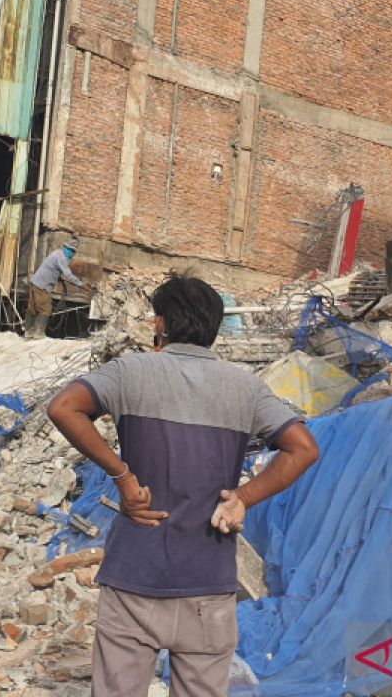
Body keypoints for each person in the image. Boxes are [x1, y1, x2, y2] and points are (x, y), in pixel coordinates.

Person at [47, 275, 320, 696]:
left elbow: (63, 408)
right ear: (214, 329)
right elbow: (303, 448)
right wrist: (243, 498)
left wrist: (121, 476)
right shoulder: (245, 388)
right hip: (207, 584)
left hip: (133, 578)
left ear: (160, 324)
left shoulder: (130, 372)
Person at [25, 237, 88, 339]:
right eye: (73, 251)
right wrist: (81, 284)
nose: (73, 254)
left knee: (32, 309)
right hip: (42, 286)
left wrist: (58, 277)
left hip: (35, 283)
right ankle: (39, 333)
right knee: (45, 309)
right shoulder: (62, 257)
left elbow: (53, 269)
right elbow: (68, 274)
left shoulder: (57, 252)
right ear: (70, 249)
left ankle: (28, 332)